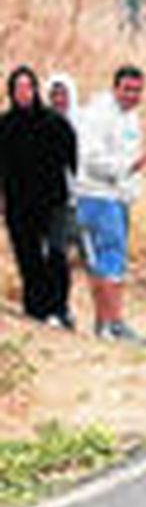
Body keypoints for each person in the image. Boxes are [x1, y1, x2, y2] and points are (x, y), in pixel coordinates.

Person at [75, 66, 146, 342]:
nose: (132, 95)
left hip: (119, 197)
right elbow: (91, 159)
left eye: (137, 90)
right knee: (108, 261)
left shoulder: (131, 118)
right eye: (127, 89)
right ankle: (111, 324)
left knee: (113, 261)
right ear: (115, 87)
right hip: (98, 195)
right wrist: (127, 167)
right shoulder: (98, 114)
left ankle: (110, 321)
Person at [0, 67, 77, 328]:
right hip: (18, 203)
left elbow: (72, 159)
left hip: (54, 201)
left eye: (28, 87)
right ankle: (36, 309)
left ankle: (60, 308)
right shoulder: (5, 126)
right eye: (18, 88)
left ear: (35, 89)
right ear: (11, 92)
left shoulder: (54, 123)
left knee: (57, 254)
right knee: (28, 257)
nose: (24, 93)